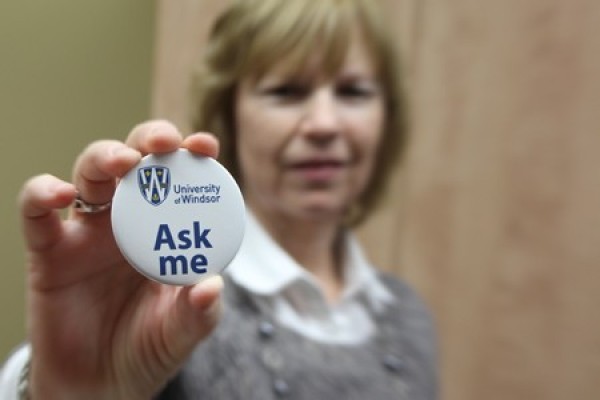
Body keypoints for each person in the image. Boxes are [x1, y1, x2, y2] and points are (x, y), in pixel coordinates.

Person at [1, 0, 438, 398]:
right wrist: (60, 391)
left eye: (353, 92)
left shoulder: (408, 317)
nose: (324, 124)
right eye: (286, 91)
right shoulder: (160, 302)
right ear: (231, 116)